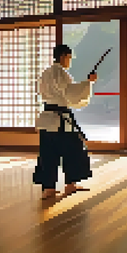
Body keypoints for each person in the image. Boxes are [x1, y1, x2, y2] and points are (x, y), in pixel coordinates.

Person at [34, 44, 98, 199]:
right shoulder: (60, 73)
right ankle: (70, 184)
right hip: (59, 121)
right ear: (63, 56)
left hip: (46, 120)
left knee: (48, 154)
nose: (70, 61)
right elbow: (70, 94)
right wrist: (88, 82)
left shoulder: (46, 73)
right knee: (74, 150)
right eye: (69, 57)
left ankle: (48, 188)